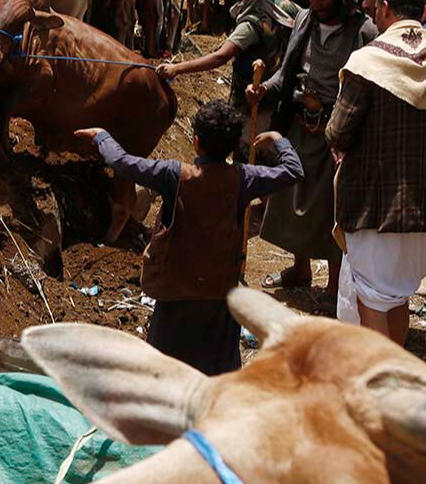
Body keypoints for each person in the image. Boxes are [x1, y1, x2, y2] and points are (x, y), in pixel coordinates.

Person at [76, 100, 303, 374]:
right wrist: (280, 141)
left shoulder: (174, 175)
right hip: (219, 295)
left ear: (195, 141)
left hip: (175, 294)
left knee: (164, 372)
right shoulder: (243, 178)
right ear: (233, 146)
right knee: (217, 373)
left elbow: (122, 163)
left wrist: (102, 136)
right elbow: (293, 171)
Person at [326, 0, 426, 346]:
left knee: (373, 298)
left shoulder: (366, 62)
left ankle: (383, 386)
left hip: (376, 206)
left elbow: (337, 133)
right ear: (423, 11)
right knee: (398, 296)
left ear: (385, 9)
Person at [246, 0, 377, 305]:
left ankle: (335, 285)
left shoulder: (362, 31)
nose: (315, 5)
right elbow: (287, 71)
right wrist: (266, 90)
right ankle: (300, 267)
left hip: (337, 132)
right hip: (298, 122)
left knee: (332, 207)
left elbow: (366, 88)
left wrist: (340, 123)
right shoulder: (304, 19)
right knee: (292, 198)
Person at [156, 0, 299, 122]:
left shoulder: (251, 24)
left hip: (253, 100)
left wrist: (176, 68)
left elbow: (220, 57)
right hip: (281, 91)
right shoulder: (284, 5)